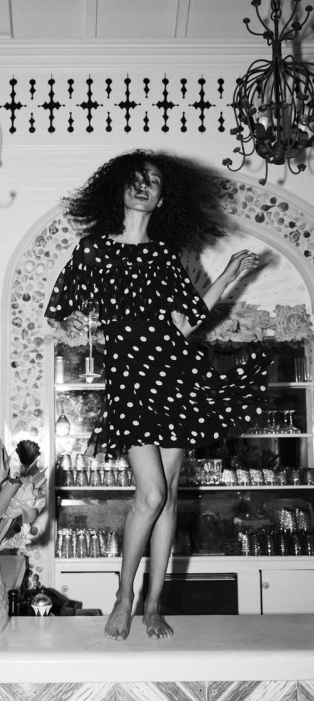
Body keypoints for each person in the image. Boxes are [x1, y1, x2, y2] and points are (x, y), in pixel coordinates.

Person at [45, 149, 269, 641]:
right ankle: (123, 596)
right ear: (118, 189)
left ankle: (153, 603)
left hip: (175, 377)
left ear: (164, 198)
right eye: (136, 178)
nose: (144, 185)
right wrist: (83, 324)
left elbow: (185, 324)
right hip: (130, 383)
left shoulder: (165, 254)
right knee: (150, 494)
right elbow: (62, 309)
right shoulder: (93, 250)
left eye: (153, 181)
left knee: (167, 500)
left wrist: (230, 275)